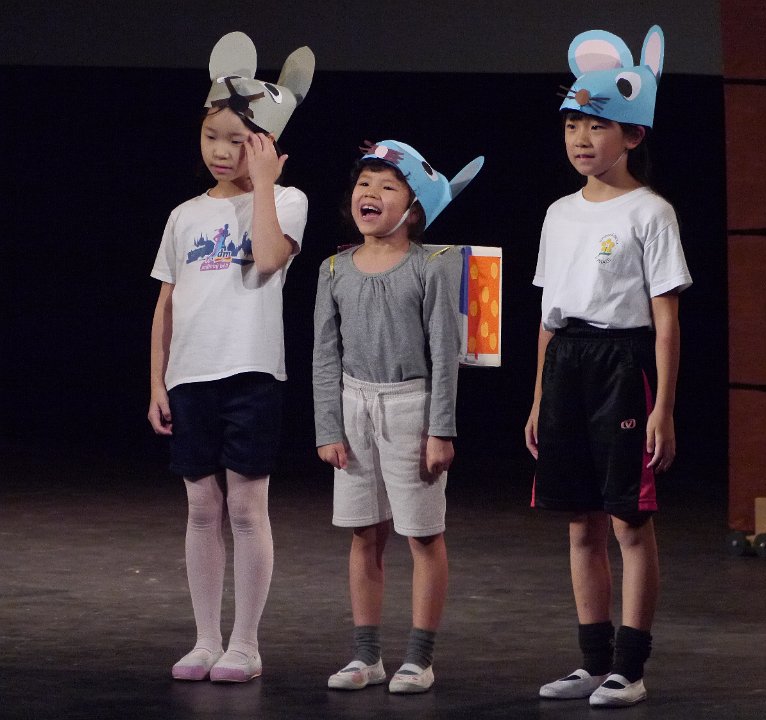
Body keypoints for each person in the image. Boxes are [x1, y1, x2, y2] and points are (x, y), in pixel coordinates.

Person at [524, 26, 692, 708]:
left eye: (598, 125)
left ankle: (631, 666)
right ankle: (593, 662)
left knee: (628, 522)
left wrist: (662, 409)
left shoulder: (651, 212)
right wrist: (538, 397)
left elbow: (666, 319)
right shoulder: (558, 213)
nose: (582, 138)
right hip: (567, 363)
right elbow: (549, 317)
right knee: (580, 522)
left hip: (623, 366)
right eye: (573, 125)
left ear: (633, 135)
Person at [147, 32, 313, 683]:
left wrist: (265, 185)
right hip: (190, 376)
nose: (221, 151)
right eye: (212, 136)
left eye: (238, 141)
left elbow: (268, 258)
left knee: (246, 508)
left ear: (264, 145)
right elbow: (166, 303)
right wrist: (158, 381)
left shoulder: (287, 200)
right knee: (200, 508)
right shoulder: (183, 215)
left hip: (251, 375)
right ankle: (205, 639)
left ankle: (245, 643)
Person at [313, 140, 483, 694]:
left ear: (413, 210)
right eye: (364, 183)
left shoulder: (431, 265)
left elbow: (444, 353)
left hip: (412, 406)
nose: (370, 192)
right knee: (364, 533)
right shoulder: (334, 268)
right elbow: (325, 355)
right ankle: (366, 656)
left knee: (423, 535)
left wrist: (440, 430)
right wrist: (328, 427)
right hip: (354, 406)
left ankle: (419, 658)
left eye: (388, 186)